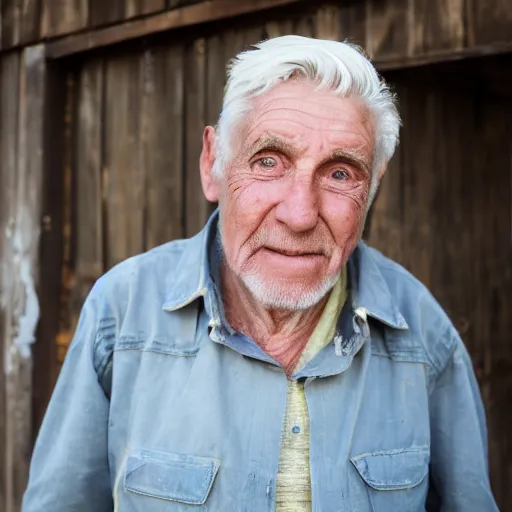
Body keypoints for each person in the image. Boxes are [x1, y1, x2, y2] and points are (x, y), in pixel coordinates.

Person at [23, 35, 498, 511]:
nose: (299, 214)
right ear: (214, 165)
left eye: (339, 174)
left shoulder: (424, 334)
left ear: (373, 186)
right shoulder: (121, 313)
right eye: (268, 161)